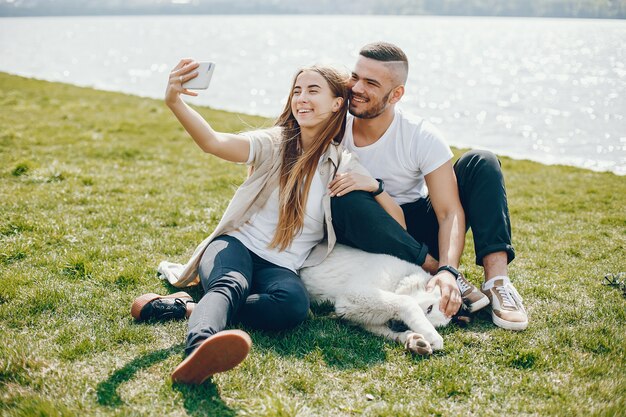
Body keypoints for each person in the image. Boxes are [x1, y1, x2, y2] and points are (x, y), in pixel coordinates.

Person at [130, 59, 404, 385]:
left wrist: (376, 187)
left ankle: (189, 308)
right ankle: (198, 352)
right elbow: (214, 143)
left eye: (312, 90)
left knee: (293, 307)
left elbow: (396, 224)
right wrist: (175, 102)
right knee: (229, 285)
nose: (301, 98)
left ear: (336, 104)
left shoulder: (342, 164)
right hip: (235, 245)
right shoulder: (275, 142)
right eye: (297, 91)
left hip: (281, 267)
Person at [329, 42, 528, 331]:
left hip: (416, 228)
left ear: (396, 94)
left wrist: (450, 267)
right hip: (367, 229)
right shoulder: (335, 126)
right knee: (346, 197)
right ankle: (438, 272)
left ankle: (497, 283)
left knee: (480, 161)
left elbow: (448, 212)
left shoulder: (421, 135)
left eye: (370, 83)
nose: (356, 88)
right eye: (355, 76)